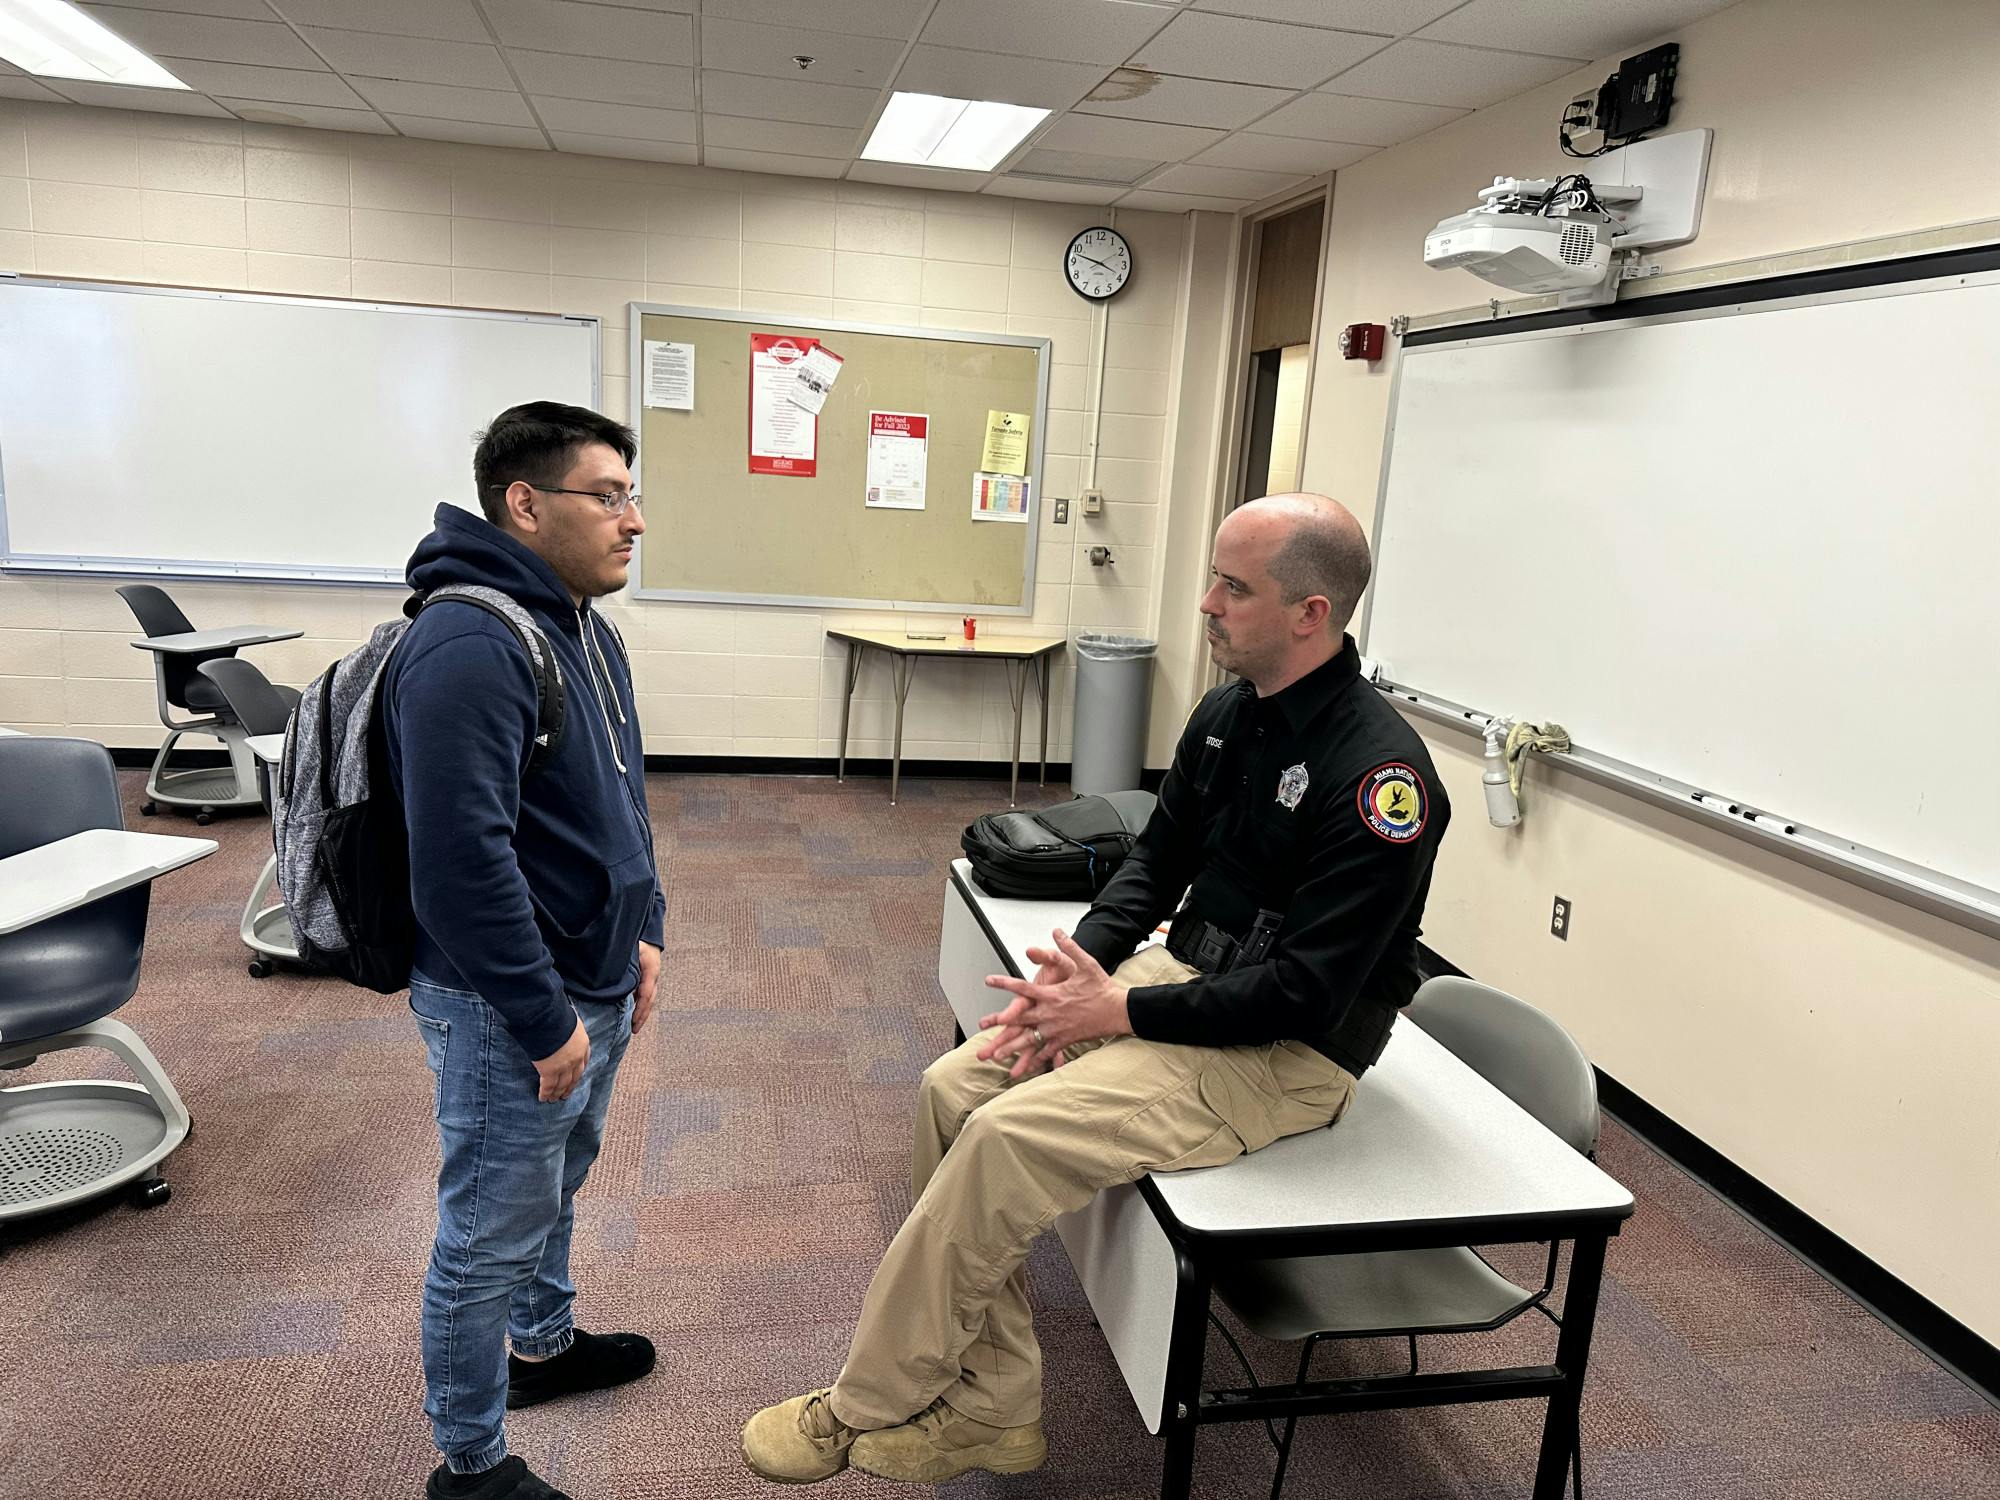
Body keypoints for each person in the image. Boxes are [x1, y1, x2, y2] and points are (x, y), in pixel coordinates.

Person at [741, 493, 1451, 1486]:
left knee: (1003, 1137)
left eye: (1231, 588)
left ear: (1309, 614)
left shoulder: (1379, 776)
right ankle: (993, 1405)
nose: (1203, 604)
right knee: (953, 1089)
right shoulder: (1226, 715)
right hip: (1181, 987)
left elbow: (1305, 997)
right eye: (1211, 577)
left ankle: (865, 1401)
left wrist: (1113, 1009)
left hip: (1283, 1055)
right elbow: (1155, 864)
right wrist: (1079, 968)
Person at [384, 402, 665, 1500]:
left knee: (554, 1187)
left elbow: (621, 800)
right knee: (486, 1233)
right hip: (512, 1001)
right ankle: (469, 1465)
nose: (632, 520)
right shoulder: (466, 641)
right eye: (609, 496)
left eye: (634, 495)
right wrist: (543, 1017)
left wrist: (644, 930)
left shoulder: (580, 623)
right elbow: (458, 865)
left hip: (588, 972)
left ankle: (541, 1348)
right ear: (524, 502)